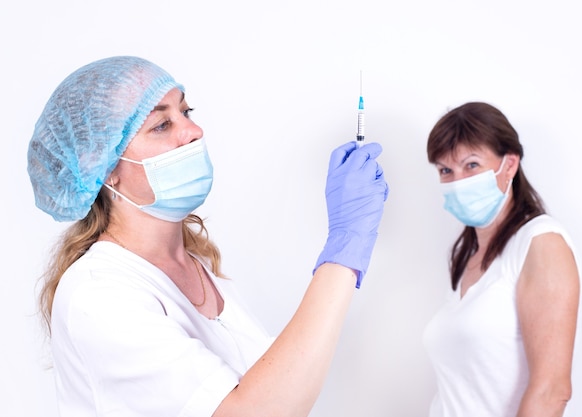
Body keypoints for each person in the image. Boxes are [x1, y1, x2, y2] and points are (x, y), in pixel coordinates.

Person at [27, 56, 388, 417]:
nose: (193, 131)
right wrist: (345, 245)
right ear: (104, 168)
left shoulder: (198, 266)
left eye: (187, 112)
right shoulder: (98, 294)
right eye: (161, 124)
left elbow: (277, 386)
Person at [422, 102, 580, 417]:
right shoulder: (466, 254)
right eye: (445, 170)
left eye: (471, 165)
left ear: (509, 165)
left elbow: (551, 391)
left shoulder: (540, 244)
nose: (457, 182)